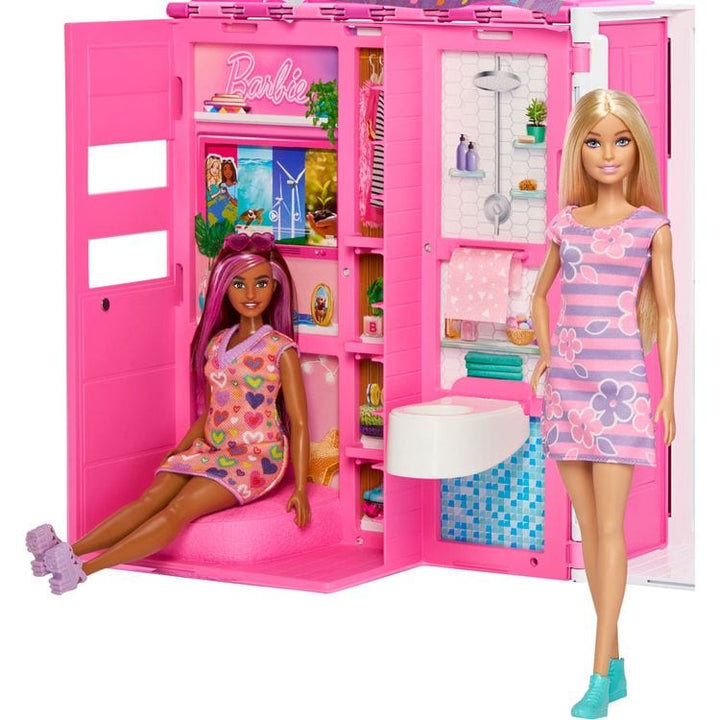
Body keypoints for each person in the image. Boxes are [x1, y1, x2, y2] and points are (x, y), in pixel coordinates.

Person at [27, 232, 311, 595]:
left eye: (261, 283)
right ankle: (70, 549)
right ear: (224, 287)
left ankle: (85, 569)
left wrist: (300, 489)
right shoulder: (217, 343)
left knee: (178, 509)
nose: (251, 293)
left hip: (255, 457)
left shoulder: (279, 349)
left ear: (276, 286)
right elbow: (214, 410)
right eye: (239, 284)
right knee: (149, 499)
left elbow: (299, 423)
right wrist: (183, 446)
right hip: (211, 448)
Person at [530, 89, 677, 719]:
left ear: (637, 147)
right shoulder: (565, 223)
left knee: (610, 530)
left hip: (621, 393)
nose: (608, 153)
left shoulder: (651, 228)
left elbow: (667, 316)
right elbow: (538, 295)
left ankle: (597, 676)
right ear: (579, 150)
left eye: (620, 141)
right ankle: (615, 667)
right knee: (588, 530)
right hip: (568, 389)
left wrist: (669, 395)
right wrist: (546, 354)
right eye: (594, 141)